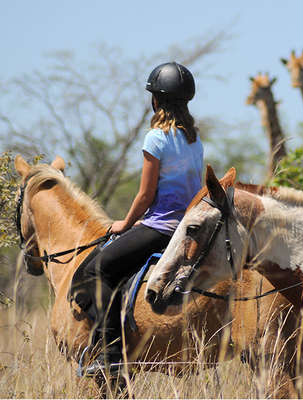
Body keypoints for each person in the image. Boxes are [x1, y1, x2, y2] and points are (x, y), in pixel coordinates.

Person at [76, 61, 204, 376]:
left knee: (96, 271)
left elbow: (145, 196)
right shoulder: (194, 140)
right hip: (186, 231)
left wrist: (125, 223)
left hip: (159, 228)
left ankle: (111, 354)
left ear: (156, 100)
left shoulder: (155, 138)